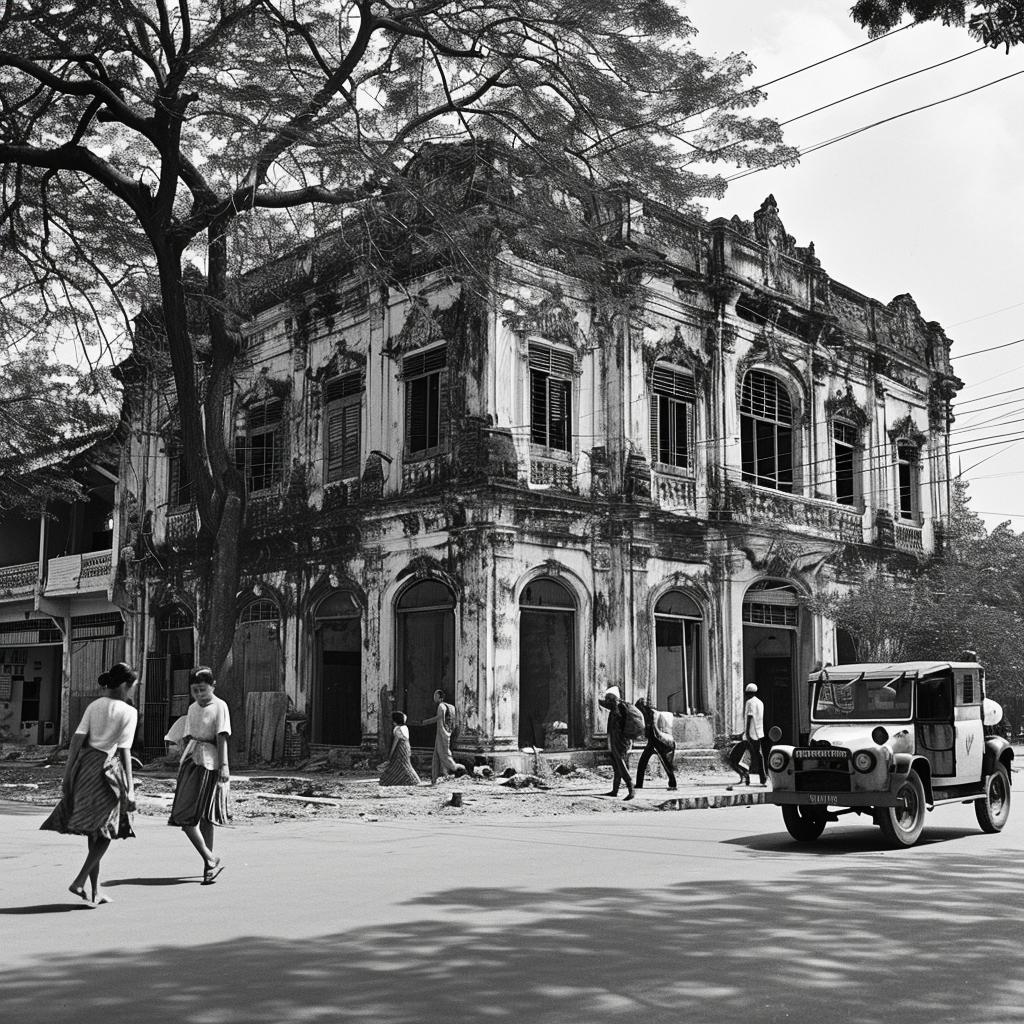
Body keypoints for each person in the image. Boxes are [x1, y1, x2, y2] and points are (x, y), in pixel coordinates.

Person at [40, 662, 138, 905]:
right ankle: (80, 881)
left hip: (84, 767)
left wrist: (67, 774)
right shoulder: (129, 712)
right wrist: (131, 788)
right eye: (134, 685)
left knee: (94, 832)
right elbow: (124, 751)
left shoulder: (94, 705)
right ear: (126, 685)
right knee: (106, 830)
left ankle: (95, 892)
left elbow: (76, 740)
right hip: (106, 770)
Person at [167, 666, 231, 884]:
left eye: (203, 690)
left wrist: (224, 765)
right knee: (183, 816)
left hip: (210, 763)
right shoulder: (193, 708)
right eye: (195, 691)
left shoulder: (220, 706)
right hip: (190, 761)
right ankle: (210, 857)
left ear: (212, 686)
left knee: (205, 817)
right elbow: (186, 734)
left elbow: (222, 737)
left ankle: (208, 867)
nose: (199, 695)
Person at [419, 689, 464, 784]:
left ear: (440, 698)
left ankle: (459, 769)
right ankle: (434, 778)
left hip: (442, 732)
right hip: (447, 732)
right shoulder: (451, 707)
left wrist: (425, 722)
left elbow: (439, 718)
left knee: (444, 755)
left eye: (435, 696)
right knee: (436, 756)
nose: (434, 697)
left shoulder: (441, 706)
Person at [598, 686, 634, 800]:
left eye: (608, 698)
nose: (607, 700)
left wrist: (597, 697)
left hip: (619, 740)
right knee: (616, 763)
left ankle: (630, 785)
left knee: (619, 762)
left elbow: (605, 704)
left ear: (613, 698)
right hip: (620, 739)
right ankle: (615, 790)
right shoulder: (619, 706)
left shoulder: (617, 706)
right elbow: (604, 704)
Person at [634, 697, 677, 791]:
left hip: (658, 741)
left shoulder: (652, 715)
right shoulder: (650, 714)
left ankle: (639, 784)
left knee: (664, 763)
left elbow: (654, 730)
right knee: (663, 763)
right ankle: (639, 784)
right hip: (654, 741)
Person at [728, 683, 766, 786]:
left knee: (747, 755)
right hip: (759, 733)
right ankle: (763, 778)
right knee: (758, 755)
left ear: (748, 693)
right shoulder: (760, 703)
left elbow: (750, 717)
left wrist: (747, 733)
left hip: (751, 733)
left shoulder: (749, 702)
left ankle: (746, 776)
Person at [379, 711, 422, 786]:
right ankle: (412, 779)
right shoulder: (405, 727)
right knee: (405, 764)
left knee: (398, 764)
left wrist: (391, 753)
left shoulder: (397, 729)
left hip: (400, 747)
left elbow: (396, 741)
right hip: (406, 746)